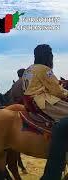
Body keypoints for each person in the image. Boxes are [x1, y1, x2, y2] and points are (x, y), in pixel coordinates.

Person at [20, 44, 68, 180]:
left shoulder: (29, 69)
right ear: (47, 56)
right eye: (51, 55)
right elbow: (56, 91)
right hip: (43, 101)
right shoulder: (45, 69)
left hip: (30, 101)